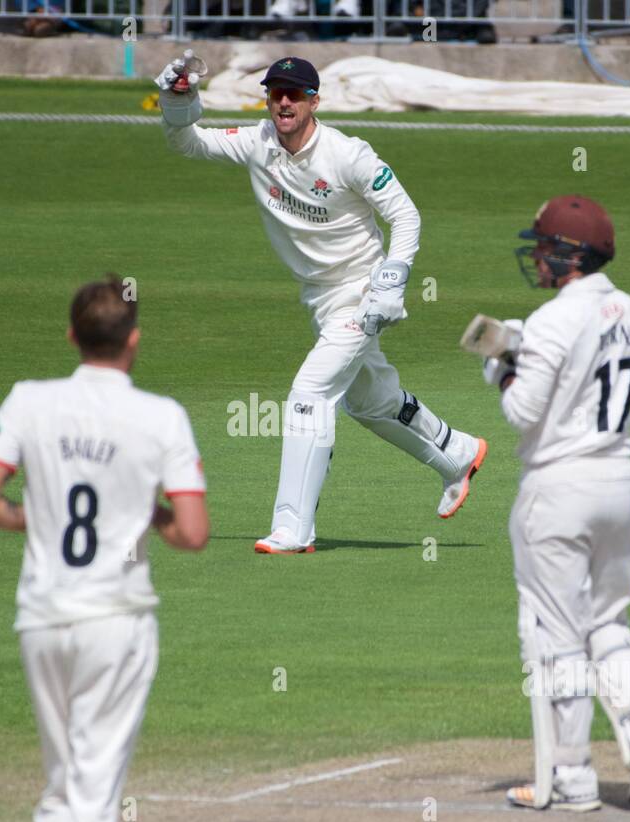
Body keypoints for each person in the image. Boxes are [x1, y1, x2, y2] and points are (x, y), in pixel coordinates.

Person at [155, 53, 487, 555]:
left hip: (360, 292)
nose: (283, 102)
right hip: (319, 298)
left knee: (309, 393)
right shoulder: (256, 142)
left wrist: (390, 284)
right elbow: (187, 142)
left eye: (294, 94)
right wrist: (178, 100)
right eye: (275, 93)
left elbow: (407, 215)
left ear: (315, 100)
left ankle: (293, 527)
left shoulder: (349, 154)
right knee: (369, 401)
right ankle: (456, 453)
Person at [0, 276, 209, 822]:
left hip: (41, 619)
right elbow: (193, 533)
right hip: (115, 623)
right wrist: (148, 513)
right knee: (95, 798)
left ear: (72, 335)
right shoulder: (162, 416)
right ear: (134, 340)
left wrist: (28, 517)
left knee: (63, 788)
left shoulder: (28, 399)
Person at [484, 195, 630, 810]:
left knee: (557, 637)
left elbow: (522, 411)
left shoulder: (550, 320)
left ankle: (570, 780)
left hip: (559, 487)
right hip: (619, 479)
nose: (537, 257)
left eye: (544, 247)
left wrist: (500, 364)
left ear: (569, 256)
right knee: (607, 620)